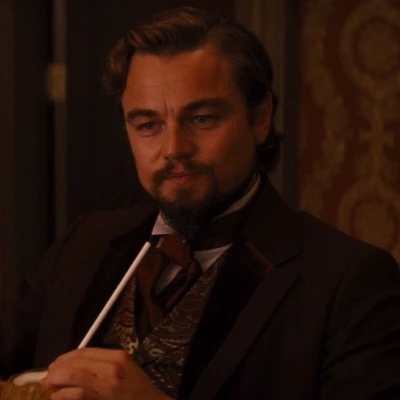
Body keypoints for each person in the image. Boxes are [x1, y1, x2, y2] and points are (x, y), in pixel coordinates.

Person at [1, 6, 400, 400]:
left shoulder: (349, 280)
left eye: (202, 119)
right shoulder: (86, 241)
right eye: (148, 125)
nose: (174, 148)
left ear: (261, 118)